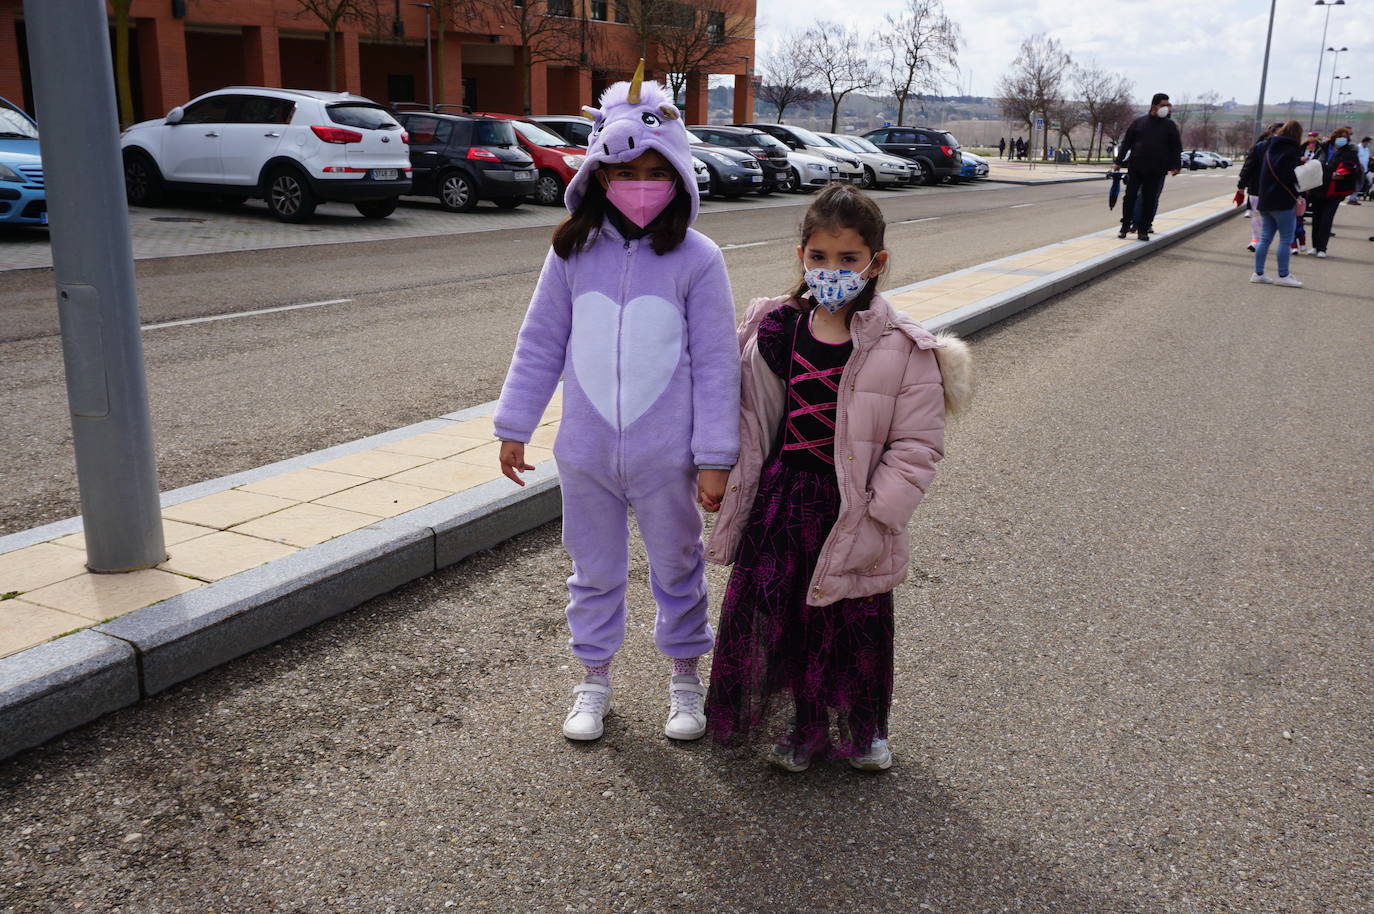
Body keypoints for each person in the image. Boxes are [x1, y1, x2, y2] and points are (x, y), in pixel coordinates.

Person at [493, 62, 740, 743]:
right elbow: (540, 342)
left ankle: (685, 677)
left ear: (679, 176)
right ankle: (593, 678)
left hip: (669, 458)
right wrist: (515, 424)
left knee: (678, 567)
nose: (639, 188)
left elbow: (719, 364)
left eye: (655, 174)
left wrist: (716, 455)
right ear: (599, 175)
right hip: (587, 453)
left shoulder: (699, 259)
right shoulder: (571, 253)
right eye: (625, 174)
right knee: (593, 571)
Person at [702, 183, 972, 772]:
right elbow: (748, 418)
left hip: (853, 507)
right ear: (801, 256)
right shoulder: (775, 332)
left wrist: (881, 511)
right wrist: (721, 474)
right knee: (782, 616)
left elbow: (918, 444)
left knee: (850, 623)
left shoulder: (903, 348)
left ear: (876, 262)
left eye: (848, 259)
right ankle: (801, 728)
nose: (831, 270)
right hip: (781, 504)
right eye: (819, 257)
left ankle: (860, 729)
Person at [1113, 92, 1183, 241]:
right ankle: (1125, 226)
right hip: (1136, 167)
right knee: (1130, 198)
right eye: (1163, 105)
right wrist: (1118, 162)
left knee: (1149, 200)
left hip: (1157, 169)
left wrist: (1176, 165)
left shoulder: (1170, 126)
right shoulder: (1139, 123)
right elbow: (1126, 143)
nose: (1167, 108)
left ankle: (1143, 229)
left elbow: (1176, 147)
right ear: (1154, 106)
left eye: (1168, 105)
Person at [1250, 119, 1305, 288]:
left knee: (1265, 238)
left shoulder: (1269, 146)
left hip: (1266, 199)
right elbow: (1290, 176)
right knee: (1286, 239)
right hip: (1283, 200)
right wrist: (1302, 166)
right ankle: (1283, 275)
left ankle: (1258, 273)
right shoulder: (1291, 150)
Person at [1306, 126, 1362, 258]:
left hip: (1335, 191)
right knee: (1317, 219)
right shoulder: (1323, 148)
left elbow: (1355, 170)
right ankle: (1315, 246)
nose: (1342, 139)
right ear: (1334, 137)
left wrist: (1342, 175)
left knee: (1327, 219)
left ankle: (1322, 249)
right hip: (1318, 188)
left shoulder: (1350, 152)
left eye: (1345, 137)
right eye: (1340, 136)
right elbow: (1313, 164)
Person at [1235, 123, 1282, 251]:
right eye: (1278, 132)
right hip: (1257, 189)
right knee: (1257, 216)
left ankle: (1263, 241)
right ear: (1271, 133)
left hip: (1277, 191)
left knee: (1270, 218)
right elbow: (1248, 167)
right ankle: (1256, 240)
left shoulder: (1288, 150)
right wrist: (1241, 186)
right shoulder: (1260, 147)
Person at [1349, 136, 1370, 204]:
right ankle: (1351, 199)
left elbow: (1366, 159)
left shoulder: (1367, 149)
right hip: (1357, 169)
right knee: (1356, 184)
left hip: (1364, 169)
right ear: (1365, 141)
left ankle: (1354, 198)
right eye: (1368, 142)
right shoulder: (1357, 147)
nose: (1368, 144)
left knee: (1360, 184)